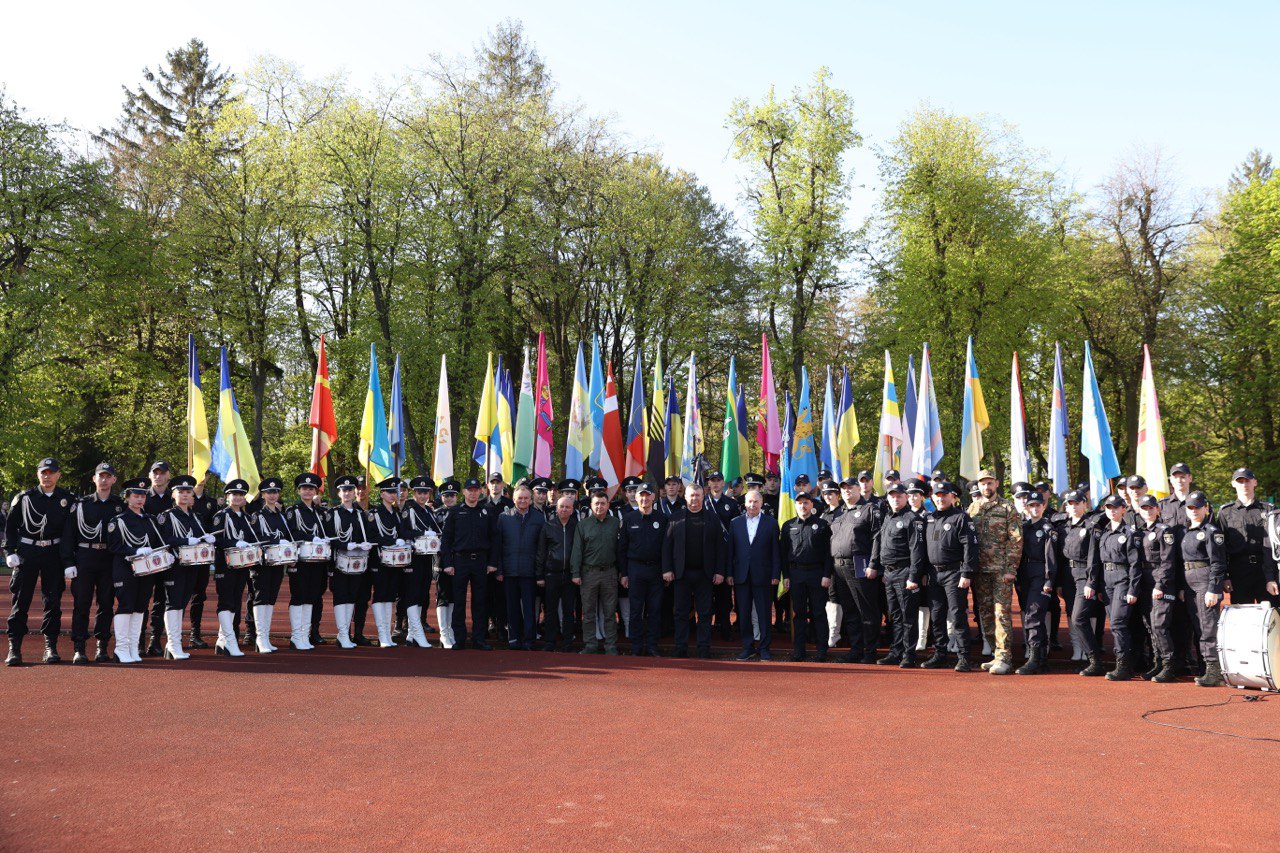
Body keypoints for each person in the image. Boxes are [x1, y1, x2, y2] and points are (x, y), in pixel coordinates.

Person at [6, 457, 75, 666]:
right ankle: (14, 648)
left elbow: (70, 532)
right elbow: (11, 526)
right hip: (28, 552)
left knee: (52, 602)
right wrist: (9, 550)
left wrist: (68, 560)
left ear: (58, 475)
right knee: (21, 601)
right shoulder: (25, 498)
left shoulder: (67, 499)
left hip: (53, 553)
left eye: (51, 472)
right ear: (38, 474)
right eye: (43, 472)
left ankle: (50, 646)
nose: (47, 476)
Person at [61, 462, 124, 664]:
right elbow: (68, 536)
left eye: (108, 476)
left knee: (106, 604)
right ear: (94, 479)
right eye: (100, 476)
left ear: (114, 479)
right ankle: (79, 647)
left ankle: (101, 646)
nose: (104, 480)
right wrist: (68, 562)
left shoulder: (120, 506)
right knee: (82, 604)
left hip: (109, 559)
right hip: (85, 558)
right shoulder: (81, 505)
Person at [1078, 494, 1141, 680]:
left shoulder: (1129, 533)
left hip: (1123, 579)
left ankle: (1123, 664)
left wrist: (1133, 589)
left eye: (1116, 507)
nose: (1112, 511)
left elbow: (1135, 564)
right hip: (1107, 582)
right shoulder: (1103, 533)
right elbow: (1096, 561)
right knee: (1114, 622)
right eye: (1109, 507)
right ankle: (1124, 664)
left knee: (1118, 623)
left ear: (1124, 509)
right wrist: (1096, 586)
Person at [967, 470, 1023, 675]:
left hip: (1001, 571)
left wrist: (1011, 569)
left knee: (1002, 614)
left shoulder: (1008, 508)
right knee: (985, 613)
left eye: (989, 483)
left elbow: (1015, 540)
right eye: (982, 484)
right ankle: (995, 652)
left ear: (997, 483)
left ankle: (1005, 658)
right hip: (980, 571)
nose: (986, 487)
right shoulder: (973, 508)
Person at [106, 477, 167, 664]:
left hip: (146, 569)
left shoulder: (150, 520)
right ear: (127, 497)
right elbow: (114, 546)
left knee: (140, 607)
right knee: (126, 606)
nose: (140, 499)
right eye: (136, 496)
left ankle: (133, 647)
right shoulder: (118, 521)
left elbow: (157, 543)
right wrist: (135, 551)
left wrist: (165, 554)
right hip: (125, 569)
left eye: (143, 496)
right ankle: (121, 648)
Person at [154, 475, 215, 660]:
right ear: (173, 494)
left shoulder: (196, 517)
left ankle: (176, 644)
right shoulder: (166, 516)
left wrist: (207, 538)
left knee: (182, 602)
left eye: (188, 492)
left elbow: (200, 537)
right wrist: (184, 540)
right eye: (181, 492)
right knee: (173, 602)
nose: (185, 495)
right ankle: (173, 644)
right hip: (175, 565)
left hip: (192, 565)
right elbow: (163, 539)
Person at [919, 482, 978, 671]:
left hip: (954, 573)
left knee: (957, 615)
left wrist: (967, 572)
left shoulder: (961, 518)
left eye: (944, 495)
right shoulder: (929, 518)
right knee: (936, 616)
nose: (940, 498)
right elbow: (924, 550)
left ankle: (963, 657)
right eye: (936, 495)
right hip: (933, 575)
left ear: (952, 497)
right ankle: (940, 653)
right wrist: (924, 573)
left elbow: (970, 547)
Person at [662, 483, 726, 659]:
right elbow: (667, 546)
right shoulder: (675, 518)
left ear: (703, 497)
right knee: (681, 612)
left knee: (705, 613)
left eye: (698, 496)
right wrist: (667, 569)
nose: (695, 499)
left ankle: (703, 648)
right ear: (685, 497)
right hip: (681, 574)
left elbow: (721, 548)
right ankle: (680, 647)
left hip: (705, 574)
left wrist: (720, 571)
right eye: (691, 496)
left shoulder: (712, 518)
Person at [870, 482, 925, 667]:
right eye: (892, 496)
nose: (895, 499)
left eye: (899, 496)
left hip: (905, 572)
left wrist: (913, 577)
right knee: (895, 615)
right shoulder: (887, 518)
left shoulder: (912, 518)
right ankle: (896, 651)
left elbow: (917, 551)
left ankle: (909, 655)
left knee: (908, 615)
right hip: (890, 574)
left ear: (906, 497)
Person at [440, 477, 498, 650]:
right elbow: (446, 539)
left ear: (480, 492)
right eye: (469, 490)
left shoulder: (486, 511)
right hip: (460, 561)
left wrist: (492, 562)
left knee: (480, 602)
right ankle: (459, 639)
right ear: (464, 492)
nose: (473, 493)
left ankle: (479, 639)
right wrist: (448, 563)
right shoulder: (455, 512)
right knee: (459, 602)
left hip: (481, 561)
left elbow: (494, 539)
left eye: (476, 490)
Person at [829, 477, 882, 665]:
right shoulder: (839, 513)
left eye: (850, 488)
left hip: (860, 563)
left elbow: (878, 538)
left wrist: (873, 564)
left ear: (859, 489)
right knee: (850, 611)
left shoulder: (870, 510)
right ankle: (856, 649)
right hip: (839, 567)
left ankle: (870, 650)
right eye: (843, 489)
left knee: (866, 610)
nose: (846, 491)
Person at [1180, 492, 1231, 687]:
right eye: (1190, 507)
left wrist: (1213, 588)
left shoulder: (1211, 531)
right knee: (1198, 626)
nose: (1193, 511)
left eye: (1197, 507)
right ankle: (1205, 666)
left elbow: (1218, 563)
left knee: (1208, 626)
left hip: (1204, 580)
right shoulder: (1187, 532)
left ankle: (1215, 670)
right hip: (1190, 582)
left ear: (1205, 508)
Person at [1133, 494, 1184, 682]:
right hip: (1144, 583)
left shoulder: (1165, 531)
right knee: (1149, 625)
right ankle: (1159, 663)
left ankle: (1170, 665)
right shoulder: (1139, 532)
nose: (1147, 511)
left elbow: (1168, 561)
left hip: (1161, 583)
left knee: (1160, 624)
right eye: (1144, 508)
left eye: (1151, 508)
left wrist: (1160, 584)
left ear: (1157, 509)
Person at [211, 479, 263, 657]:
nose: (238, 497)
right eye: (235, 494)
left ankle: (222, 640)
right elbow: (216, 540)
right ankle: (230, 640)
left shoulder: (247, 518)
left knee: (235, 600)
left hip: (241, 565)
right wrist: (234, 543)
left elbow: (252, 538)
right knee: (226, 600)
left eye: (241, 494)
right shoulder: (221, 515)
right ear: (228, 496)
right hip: (225, 565)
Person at [780, 490, 834, 662]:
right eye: (799, 503)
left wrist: (827, 574)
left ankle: (821, 651)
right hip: (796, 574)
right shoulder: (788, 526)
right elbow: (783, 553)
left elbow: (828, 553)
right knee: (799, 614)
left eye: (806, 503)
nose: (802, 506)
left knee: (819, 613)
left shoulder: (823, 525)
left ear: (812, 505)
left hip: (817, 574)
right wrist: (786, 575)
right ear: (795, 505)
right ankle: (799, 650)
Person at [727, 490, 781, 660]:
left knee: (764, 613)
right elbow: (730, 552)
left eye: (756, 501)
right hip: (741, 575)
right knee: (743, 613)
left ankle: (764, 647)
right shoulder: (735, 523)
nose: (752, 505)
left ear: (761, 503)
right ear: (744, 503)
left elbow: (775, 552)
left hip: (763, 575)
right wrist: (729, 573)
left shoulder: (771, 523)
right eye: (749, 501)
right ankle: (748, 646)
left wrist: (775, 574)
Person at [619, 483, 667, 656]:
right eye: (642, 495)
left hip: (656, 570)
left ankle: (653, 645)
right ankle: (636, 645)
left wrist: (666, 570)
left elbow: (666, 547)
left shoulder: (662, 519)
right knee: (635, 610)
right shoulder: (629, 519)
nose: (645, 498)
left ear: (653, 497)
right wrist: (624, 573)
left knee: (655, 609)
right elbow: (622, 548)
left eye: (648, 495)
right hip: (635, 570)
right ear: (636, 497)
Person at [248, 477, 295, 654]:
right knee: (261, 597)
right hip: (262, 563)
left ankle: (265, 637)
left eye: (275, 492)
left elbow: (288, 536)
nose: (273, 495)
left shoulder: (281, 516)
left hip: (277, 562)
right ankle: (260, 638)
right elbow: (254, 538)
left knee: (271, 599)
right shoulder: (257, 516)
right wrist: (276, 541)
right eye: (269, 492)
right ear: (262, 495)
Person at [1013, 492, 1057, 675]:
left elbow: (1052, 558)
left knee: (1033, 614)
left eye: (1038, 505)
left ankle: (1034, 657)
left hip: (1041, 574)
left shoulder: (1048, 529)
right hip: (1025, 576)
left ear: (1043, 507)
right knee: (1030, 614)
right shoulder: (1023, 527)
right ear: (1027, 508)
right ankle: (1042, 659)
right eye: (1032, 506)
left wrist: (1049, 579)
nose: (1035, 508)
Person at [327, 475, 373, 649]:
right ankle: (343, 634)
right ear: (339, 493)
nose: (347, 493)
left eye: (350, 490)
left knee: (352, 597)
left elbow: (366, 535)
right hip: (339, 561)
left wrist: (365, 544)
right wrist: (346, 544)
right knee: (341, 596)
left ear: (354, 493)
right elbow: (330, 537)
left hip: (357, 563)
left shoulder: (361, 514)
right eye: (343, 490)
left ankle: (344, 634)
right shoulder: (333, 513)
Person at [1216, 467, 1274, 605]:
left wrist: (1272, 577)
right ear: (1233, 484)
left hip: (1265, 571)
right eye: (1240, 481)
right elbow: (1220, 548)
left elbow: (1275, 545)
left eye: (1247, 480)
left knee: (1271, 617)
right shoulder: (1226, 512)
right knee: (1242, 618)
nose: (1244, 485)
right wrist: (1225, 576)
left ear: (1255, 482)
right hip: (1238, 573)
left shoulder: (1269, 510)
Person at [572, 491, 621, 655]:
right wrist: (575, 573)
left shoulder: (615, 523)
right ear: (591, 506)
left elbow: (620, 549)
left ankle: (611, 645)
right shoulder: (583, 525)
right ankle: (590, 645)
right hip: (588, 574)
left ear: (608, 505)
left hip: (610, 573)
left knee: (609, 613)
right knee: (589, 612)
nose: (600, 506)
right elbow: (577, 551)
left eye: (603, 503)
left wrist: (622, 572)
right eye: (596, 503)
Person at [494, 485, 542, 650]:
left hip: (529, 572)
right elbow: (498, 546)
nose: (523, 501)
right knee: (512, 608)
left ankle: (529, 640)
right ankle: (514, 639)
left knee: (529, 608)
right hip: (509, 571)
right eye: (519, 498)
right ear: (514, 499)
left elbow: (541, 548)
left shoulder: (539, 518)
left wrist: (539, 571)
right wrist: (499, 570)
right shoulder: (503, 518)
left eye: (526, 498)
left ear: (531, 499)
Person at [287, 472, 330, 650]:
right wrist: (311, 537)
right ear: (299, 491)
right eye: (304, 488)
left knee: (312, 597)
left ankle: (304, 635)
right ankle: (296, 636)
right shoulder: (293, 511)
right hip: (300, 560)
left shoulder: (319, 512)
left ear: (315, 491)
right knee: (299, 596)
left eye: (311, 488)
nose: (307, 491)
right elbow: (291, 533)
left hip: (318, 560)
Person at [365, 477, 409, 648]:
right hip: (379, 559)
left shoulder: (397, 514)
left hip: (395, 561)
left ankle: (388, 633)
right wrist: (390, 540)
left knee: (390, 595)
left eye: (395, 492)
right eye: (389, 492)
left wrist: (401, 540)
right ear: (382, 494)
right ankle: (382, 634)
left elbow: (402, 532)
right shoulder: (374, 514)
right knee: (380, 594)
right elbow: (371, 536)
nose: (393, 495)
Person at [399, 475, 440, 649]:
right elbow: (402, 531)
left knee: (422, 593)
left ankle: (411, 635)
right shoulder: (409, 510)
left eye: (426, 493)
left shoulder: (428, 511)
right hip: (413, 558)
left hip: (426, 557)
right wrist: (421, 534)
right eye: (419, 492)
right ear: (414, 493)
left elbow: (436, 530)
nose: (422, 496)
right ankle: (416, 632)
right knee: (413, 594)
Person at [537, 494, 578, 652]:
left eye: (567, 507)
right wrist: (540, 575)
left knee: (569, 610)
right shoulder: (548, 526)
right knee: (550, 610)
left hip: (569, 575)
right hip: (551, 574)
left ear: (572, 509)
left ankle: (568, 642)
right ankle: (550, 642)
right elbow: (541, 552)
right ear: (556, 508)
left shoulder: (576, 526)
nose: (564, 509)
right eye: (561, 506)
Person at [143, 461, 174, 656]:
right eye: (155, 473)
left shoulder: (175, 497)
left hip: (168, 557)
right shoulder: (141, 496)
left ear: (168, 475)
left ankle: (155, 638)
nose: (159, 476)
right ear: (150, 475)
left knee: (162, 599)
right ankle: (138, 639)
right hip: (144, 556)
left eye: (162, 473)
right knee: (141, 599)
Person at [705, 471, 741, 642]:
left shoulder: (731, 504)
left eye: (718, 481)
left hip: (725, 555)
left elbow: (735, 531)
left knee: (724, 596)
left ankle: (725, 628)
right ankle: (706, 628)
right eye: (713, 481)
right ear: (709, 484)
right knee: (706, 596)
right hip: (706, 554)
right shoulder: (702, 502)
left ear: (723, 483)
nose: (716, 484)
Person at [433, 480, 461, 648]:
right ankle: (443, 633)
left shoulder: (461, 512)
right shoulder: (435, 514)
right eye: (445, 496)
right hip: (441, 558)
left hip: (458, 559)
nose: (449, 498)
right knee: (442, 595)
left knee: (454, 596)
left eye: (452, 495)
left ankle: (450, 629)